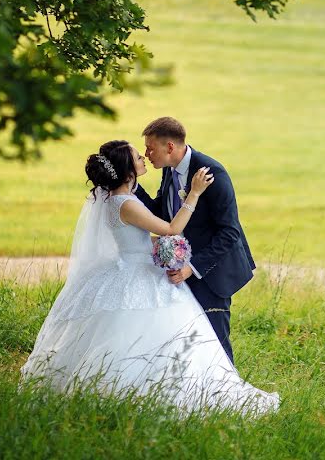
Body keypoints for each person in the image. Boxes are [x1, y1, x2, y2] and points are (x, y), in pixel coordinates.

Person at [20, 140, 278, 416]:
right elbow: (171, 228)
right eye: (137, 156)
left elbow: (140, 234)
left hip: (135, 265)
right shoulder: (126, 204)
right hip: (139, 274)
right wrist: (194, 194)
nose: (143, 157)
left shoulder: (115, 199)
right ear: (127, 169)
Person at [133, 117, 254, 364]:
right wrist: (131, 186)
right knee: (189, 340)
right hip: (180, 269)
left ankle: (228, 396)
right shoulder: (169, 170)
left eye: (150, 147)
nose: (146, 154)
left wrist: (192, 268)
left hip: (211, 272)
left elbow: (230, 233)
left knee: (215, 341)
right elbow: (165, 214)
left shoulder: (211, 173)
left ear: (169, 147)